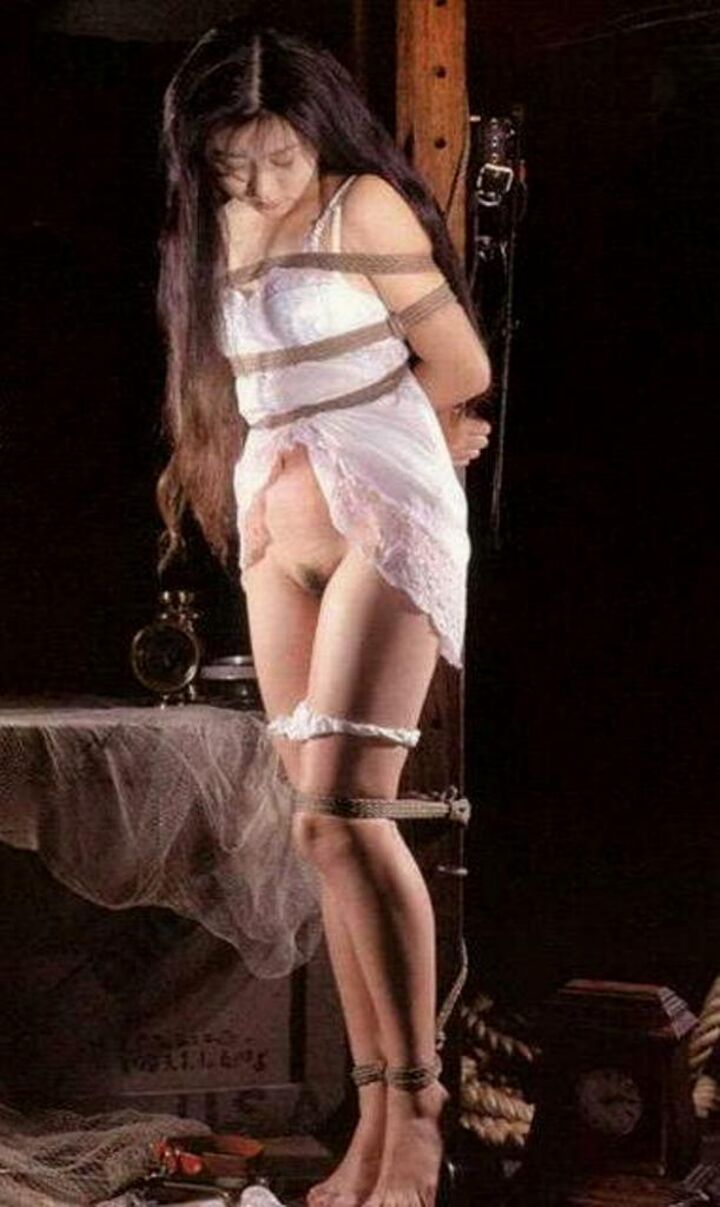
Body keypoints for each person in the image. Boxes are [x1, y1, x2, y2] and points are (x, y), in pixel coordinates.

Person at [156, 22, 491, 1207]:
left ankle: (420, 1118)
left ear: (319, 134)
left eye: (280, 156)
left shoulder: (364, 209)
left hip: (378, 520)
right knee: (317, 832)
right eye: (231, 160)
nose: (258, 182)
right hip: (275, 529)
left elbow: (461, 368)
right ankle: (372, 1122)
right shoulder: (215, 227)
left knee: (350, 815)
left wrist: (423, 446)